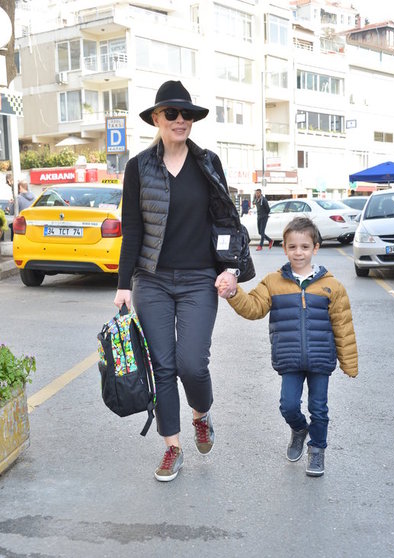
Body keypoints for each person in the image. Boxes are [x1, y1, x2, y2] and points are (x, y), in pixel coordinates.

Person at [113, 80, 246, 482]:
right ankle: (172, 447)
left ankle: (201, 414)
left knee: (192, 363)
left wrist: (230, 268)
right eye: (171, 113)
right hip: (151, 280)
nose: (180, 120)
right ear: (157, 118)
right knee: (163, 366)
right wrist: (123, 285)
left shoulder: (208, 162)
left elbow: (226, 220)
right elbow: (132, 229)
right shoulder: (139, 167)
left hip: (198, 279)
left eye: (186, 114)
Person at [218, 216, 358, 477]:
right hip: (289, 358)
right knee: (288, 405)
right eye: (292, 247)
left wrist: (349, 363)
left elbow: (343, 326)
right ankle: (299, 429)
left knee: (319, 409)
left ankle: (317, 450)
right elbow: (254, 308)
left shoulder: (332, 286)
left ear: (315, 248)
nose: (299, 252)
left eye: (305, 247)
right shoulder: (273, 282)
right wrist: (234, 294)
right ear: (284, 248)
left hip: (320, 359)